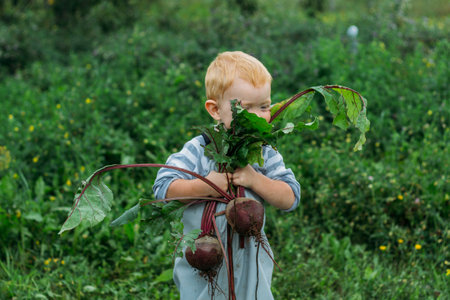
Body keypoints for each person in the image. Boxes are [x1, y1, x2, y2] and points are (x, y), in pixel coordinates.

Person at [153, 51, 301, 300]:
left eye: (264, 106)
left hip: (252, 266)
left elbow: (291, 197)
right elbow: (163, 188)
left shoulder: (264, 154)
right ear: (215, 110)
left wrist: (256, 179)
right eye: (244, 109)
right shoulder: (198, 149)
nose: (257, 116)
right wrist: (204, 185)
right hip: (203, 262)